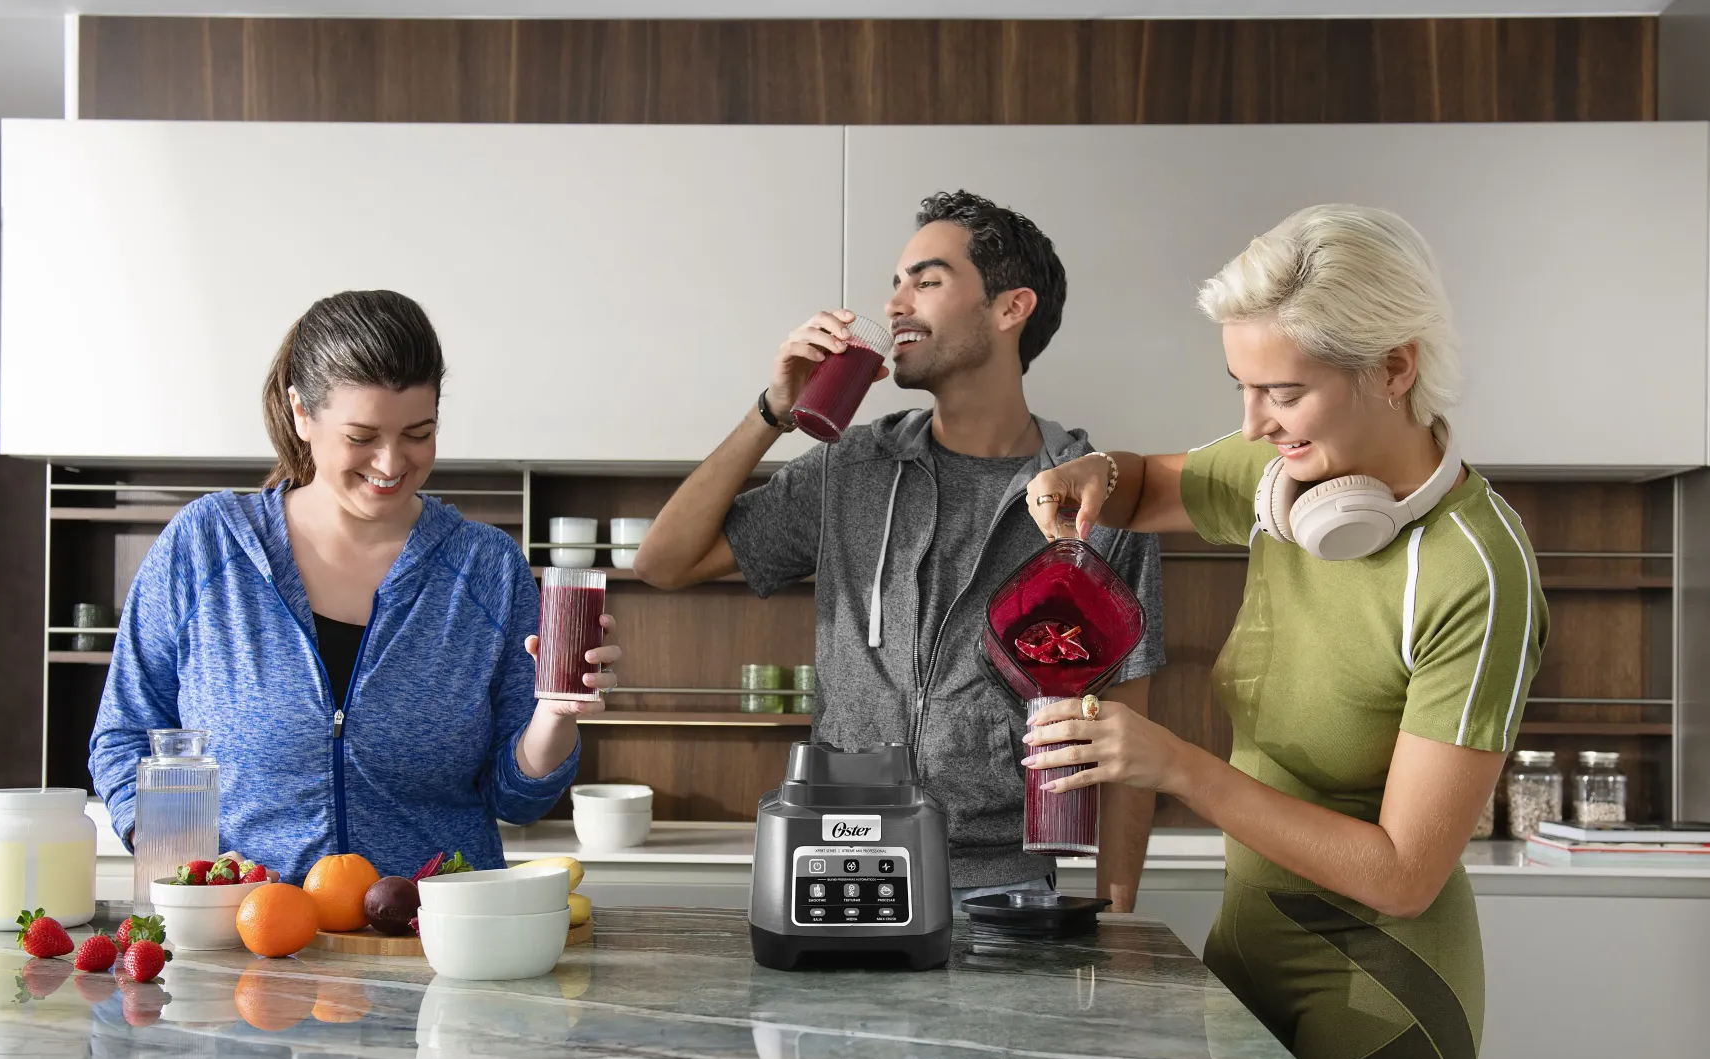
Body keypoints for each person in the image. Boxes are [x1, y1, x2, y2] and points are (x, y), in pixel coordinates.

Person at [1021, 205, 1546, 1059]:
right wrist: (1099, 469)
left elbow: (1399, 875)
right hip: (1248, 960)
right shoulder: (1292, 474)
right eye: (1243, 388)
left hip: (1387, 990)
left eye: (1286, 391)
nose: (1257, 424)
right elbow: (1143, 485)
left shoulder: (1475, 573)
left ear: (1395, 367)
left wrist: (1175, 765)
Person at [635, 190, 1164, 909]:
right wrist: (773, 412)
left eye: (928, 280)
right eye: (895, 282)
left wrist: (1121, 915)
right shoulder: (851, 466)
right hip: (841, 863)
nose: (895, 305)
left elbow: (1129, 735)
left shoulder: (1097, 499)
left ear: (1011, 308)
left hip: (1005, 887)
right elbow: (663, 563)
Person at [90, 290, 620, 881]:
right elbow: (123, 737)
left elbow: (517, 801)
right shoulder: (204, 547)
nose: (391, 463)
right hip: (242, 938)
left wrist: (554, 717)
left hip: (432, 945)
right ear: (301, 413)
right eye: (361, 437)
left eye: (418, 433)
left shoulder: (487, 569)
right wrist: (188, 873)